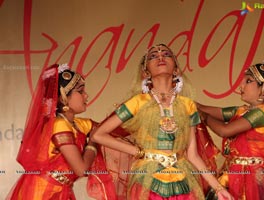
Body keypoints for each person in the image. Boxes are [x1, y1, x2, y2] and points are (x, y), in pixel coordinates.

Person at [91, 44, 233, 200]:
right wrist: (139, 152)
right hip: (147, 180)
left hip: (182, 179)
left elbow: (192, 155)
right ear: (146, 73)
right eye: (153, 56)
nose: (160, 57)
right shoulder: (138, 102)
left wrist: (218, 188)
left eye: (166, 54)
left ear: (176, 69)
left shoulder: (188, 105)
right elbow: (99, 135)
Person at [6, 64, 116, 200]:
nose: (86, 95)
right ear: (63, 97)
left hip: (61, 191)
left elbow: (110, 129)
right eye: (81, 91)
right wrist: (93, 141)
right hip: (43, 193)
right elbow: (81, 169)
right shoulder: (59, 125)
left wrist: (134, 107)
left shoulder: (78, 124)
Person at [197, 59, 264, 199]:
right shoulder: (243, 111)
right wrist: (187, 103)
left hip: (254, 179)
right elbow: (215, 111)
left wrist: (202, 116)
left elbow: (224, 131)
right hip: (233, 175)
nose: (241, 86)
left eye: (248, 81)